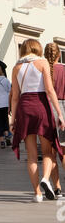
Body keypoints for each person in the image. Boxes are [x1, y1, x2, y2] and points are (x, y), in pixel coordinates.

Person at [10, 39, 65, 203]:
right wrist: (59, 113)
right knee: (48, 152)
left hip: (24, 108)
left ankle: (37, 194)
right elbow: (49, 90)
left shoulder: (16, 67)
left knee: (32, 155)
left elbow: (14, 97)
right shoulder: (42, 63)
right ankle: (46, 179)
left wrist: (12, 120)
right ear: (37, 48)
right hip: (41, 106)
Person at [44, 42, 65, 198]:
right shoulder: (63, 70)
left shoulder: (42, 71)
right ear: (59, 55)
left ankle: (57, 188)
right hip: (62, 108)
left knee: (50, 153)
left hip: (46, 109)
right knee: (64, 152)